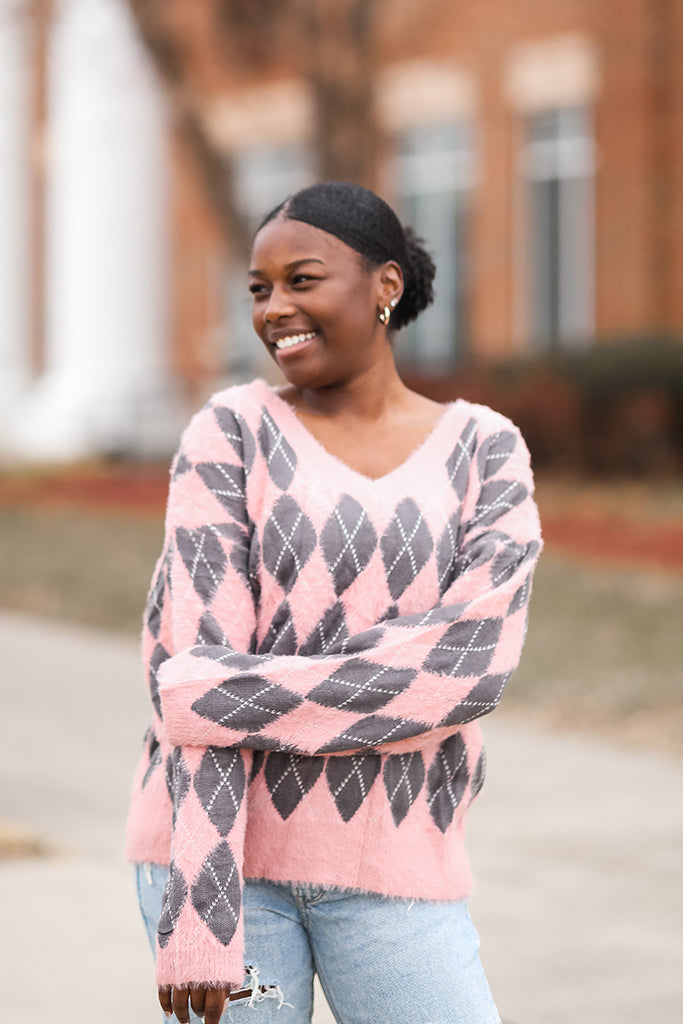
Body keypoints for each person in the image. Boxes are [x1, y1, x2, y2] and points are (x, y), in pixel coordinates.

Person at [126, 181, 542, 1024]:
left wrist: (220, 695)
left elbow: (465, 668)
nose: (275, 308)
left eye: (301, 280)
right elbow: (189, 670)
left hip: (397, 868)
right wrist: (204, 917)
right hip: (228, 876)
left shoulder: (483, 449)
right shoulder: (229, 433)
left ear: (384, 285)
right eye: (258, 289)